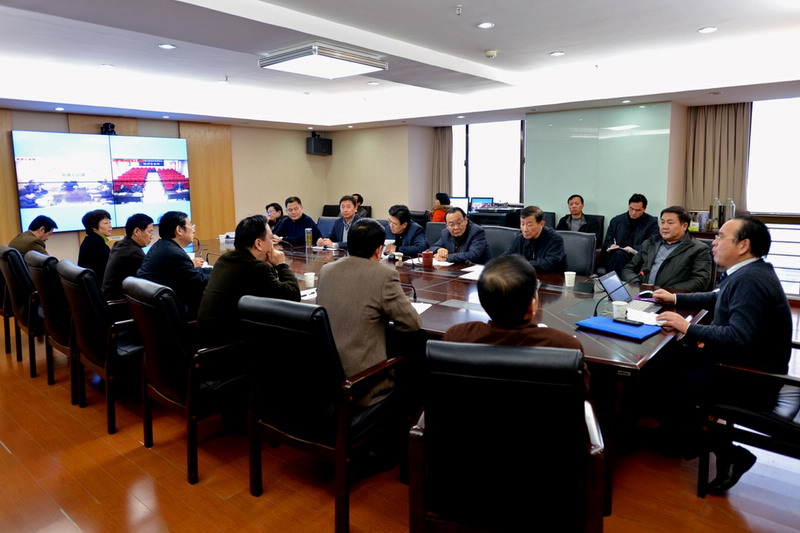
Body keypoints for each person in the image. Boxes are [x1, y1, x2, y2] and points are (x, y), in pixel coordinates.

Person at [653, 216, 792, 493]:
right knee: (666, 363)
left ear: (743, 245)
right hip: (741, 363)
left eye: (720, 237)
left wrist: (686, 326)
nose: (713, 242)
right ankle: (674, 435)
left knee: (660, 380)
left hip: (750, 377)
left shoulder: (750, 280)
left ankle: (728, 452)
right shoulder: (749, 271)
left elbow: (738, 336)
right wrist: (675, 298)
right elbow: (717, 297)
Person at [443, 255, 589, 393]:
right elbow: (581, 392)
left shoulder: (456, 337)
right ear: (532, 306)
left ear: (483, 302)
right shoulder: (565, 346)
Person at [316, 218, 422, 406]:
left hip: (324, 377)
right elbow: (412, 323)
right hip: (362, 384)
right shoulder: (384, 275)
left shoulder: (326, 269)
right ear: (379, 250)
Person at [198, 215, 300, 347]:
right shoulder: (256, 268)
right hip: (227, 346)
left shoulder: (225, 259)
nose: (273, 244)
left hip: (206, 337)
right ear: (258, 244)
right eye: (270, 239)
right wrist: (281, 265)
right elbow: (293, 296)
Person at [137, 211, 210, 319]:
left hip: (154, 311)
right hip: (169, 316)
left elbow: (191, 273)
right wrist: (222, 275)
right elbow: (198, 281)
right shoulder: (173, 253)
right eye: (191, 225)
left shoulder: (162, 245)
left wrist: (216, 270)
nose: (193, 230)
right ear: (179, 230)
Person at [621, 206, 712, 291]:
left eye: (670, 223)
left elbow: (700, 281)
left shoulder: (698, 249)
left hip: (673, 298)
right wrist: (638, 285)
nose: (664, 227)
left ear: (684, 226)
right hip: (643, 295)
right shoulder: (649, 243)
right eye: (662, 222)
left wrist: (665, 291)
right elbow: (628, 269)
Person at [602, 193, 659, 276]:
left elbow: (651, 244)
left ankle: (611, 282)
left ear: (644, 209)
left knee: (619, 256)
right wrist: (611, 246)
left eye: (637, 210)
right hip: (617, 254)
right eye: (631, 209)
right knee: (618, 254)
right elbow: (607, 241)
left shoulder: (651, 223)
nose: (633, 212)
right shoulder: (617, 220)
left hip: (637, 256)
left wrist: (633, 249)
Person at [102, 213, 154, 300]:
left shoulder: (120, 244)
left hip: (108, 299)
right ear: (137, 231)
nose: (151, 237)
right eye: (150, 232)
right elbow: (150, 279)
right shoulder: (133, 252)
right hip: (118, 303)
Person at [503, 205, 567, 273]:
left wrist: (521, 265)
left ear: (541, 224)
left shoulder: (554, 238)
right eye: (522, 224)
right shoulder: (519, 239)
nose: (525, 229)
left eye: (529, 225)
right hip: (526, 275)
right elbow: (505, 257)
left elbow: (549, 263)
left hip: (551, 277)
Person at [77, 209, 113, 283]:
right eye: (106, 223)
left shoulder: (88, 240)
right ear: (94, 228)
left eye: (110, 222)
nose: (110, 226)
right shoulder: (98, 245)